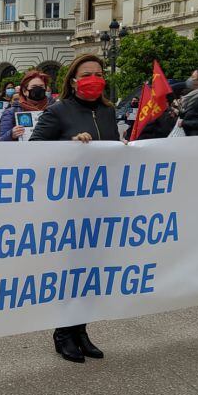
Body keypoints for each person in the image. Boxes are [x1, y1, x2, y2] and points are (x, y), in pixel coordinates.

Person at [30, 53, 120, 363]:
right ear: (73, 81)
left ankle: (81, 330)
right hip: (69, 208)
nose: (93, 78)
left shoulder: (109, 112)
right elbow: (35, 150)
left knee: (92, 271)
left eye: (98, 73)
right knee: (71, 271)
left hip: (101, 205)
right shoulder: (58, 112)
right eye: (86, 74)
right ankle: (63, 333)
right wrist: (69, 144)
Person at [0, 69, 51, 140]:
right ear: (25, 91)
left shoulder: (52, 110)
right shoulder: (11, 112)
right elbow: (0, 141)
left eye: (41, 87)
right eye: (34, 87)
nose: (38, 90)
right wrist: (11, 134)